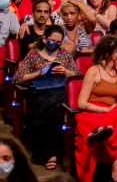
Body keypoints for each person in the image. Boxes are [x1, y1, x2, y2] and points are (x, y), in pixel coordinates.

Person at [75, 34, 117, 182]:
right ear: (108, 53)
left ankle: (104, 130)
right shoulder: (94, 71)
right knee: (116, 123)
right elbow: (81, 103)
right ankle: (116, 174)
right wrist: (106, 110)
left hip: (112, 113)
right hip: (94, 113)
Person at [13, 23, 80, 170]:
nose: (55, 45)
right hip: (39, 97)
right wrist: (37, 74)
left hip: (59, 94)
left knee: (58, 111)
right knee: (57, 109)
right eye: (52, 41)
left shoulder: (64, 55)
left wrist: (66, 72)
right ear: (44, 39)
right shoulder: (33, 55)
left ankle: (51, 155)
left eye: (58, 42)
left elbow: (78, 75)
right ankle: (54, 155)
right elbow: (17, 78)